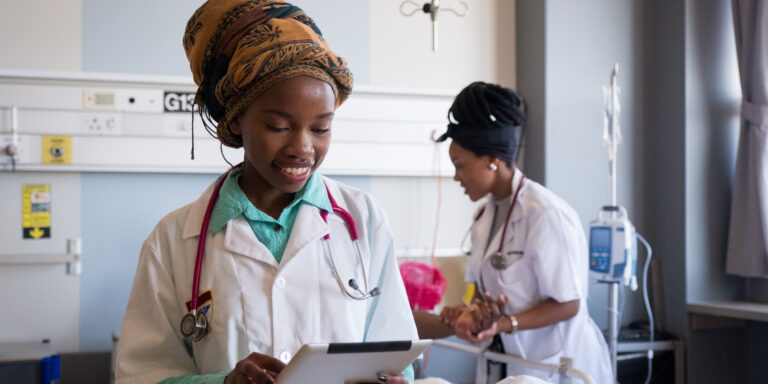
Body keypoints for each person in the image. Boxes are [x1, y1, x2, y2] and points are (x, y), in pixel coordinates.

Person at [115, 1, 417, 383]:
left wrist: (395, 379)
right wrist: (223, 382)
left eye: (321, 128)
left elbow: (396, 353)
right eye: (278, 126)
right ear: (237, 120)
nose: (303, 148)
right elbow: (140, 375)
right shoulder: (172, 241)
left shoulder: (363, 219)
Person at [433, 82, 613, 383]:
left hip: (560, 366)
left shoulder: (546, 214)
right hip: (508, 362)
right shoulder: (483, 217)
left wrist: (505, 324)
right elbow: (483, 294)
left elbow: (569, 303)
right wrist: (470, 313)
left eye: (460, 165)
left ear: (492, 159)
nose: (456, 176)